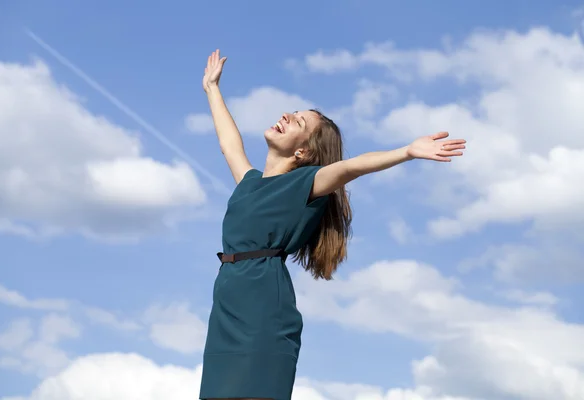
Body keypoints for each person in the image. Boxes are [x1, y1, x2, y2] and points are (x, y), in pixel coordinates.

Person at [198, 49, 466, 400]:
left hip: (263, 310)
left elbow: (351, 167)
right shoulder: (249, 183)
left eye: (297, 122)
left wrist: (407, 151)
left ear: (303, 153)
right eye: (292, 113)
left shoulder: (306, 183)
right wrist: (212, 88)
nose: (286, 115)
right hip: (227, 307)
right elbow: (228, 143)